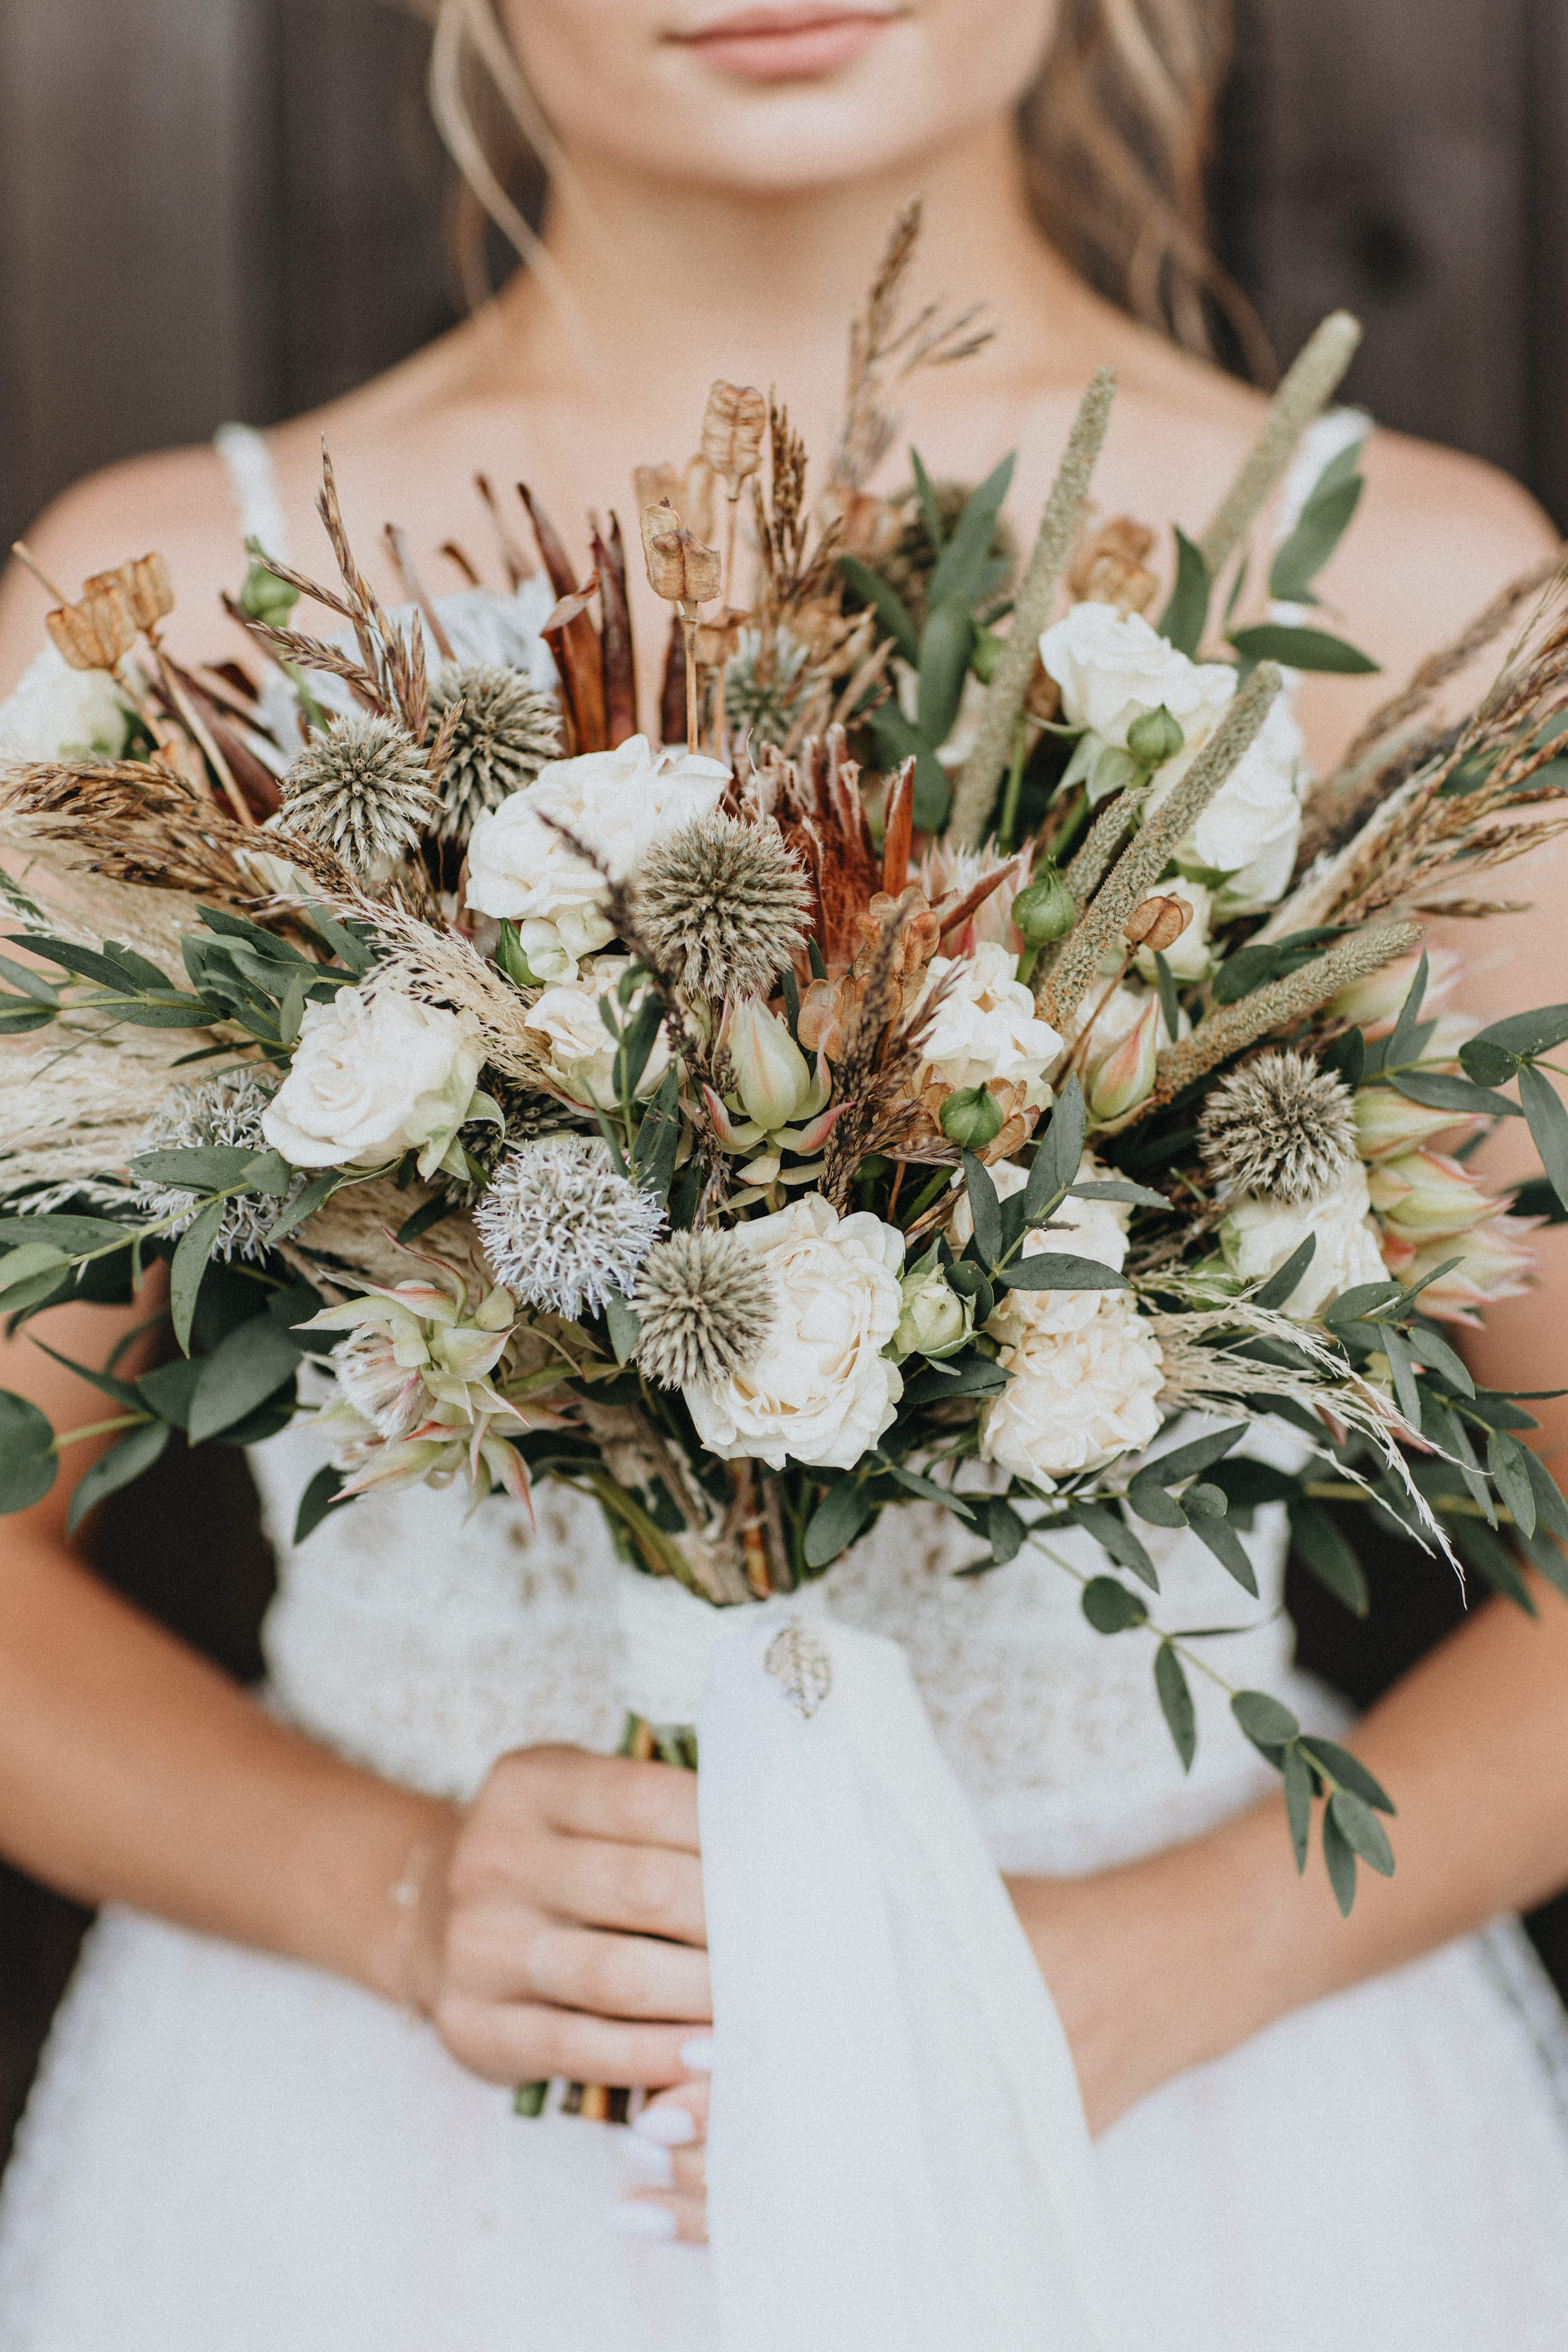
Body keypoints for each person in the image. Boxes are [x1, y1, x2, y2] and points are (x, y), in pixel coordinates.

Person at [1, 2, 1567, 2344]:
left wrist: (1150, 1969)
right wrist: (403, 1894)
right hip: (379, 2162)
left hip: (1190, 2134)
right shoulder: (175, 616)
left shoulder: (1422, 598)